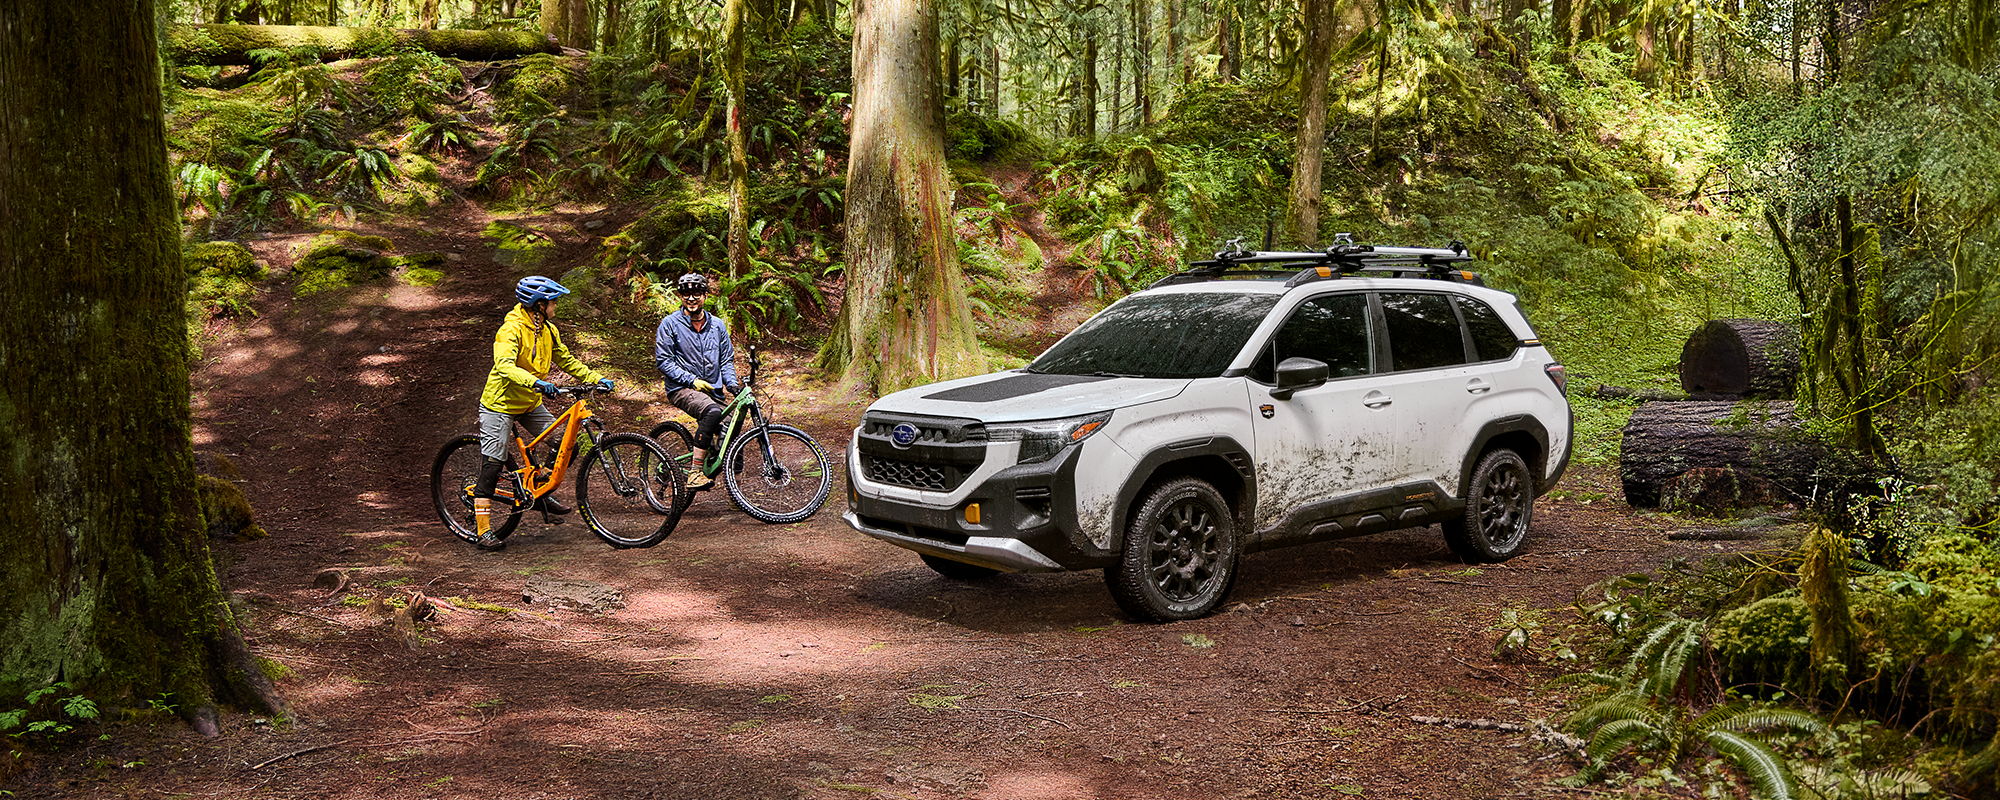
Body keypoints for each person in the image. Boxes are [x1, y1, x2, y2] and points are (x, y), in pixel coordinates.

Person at [471, 275, 615, 549]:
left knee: (566, 444)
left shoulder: (548, 329)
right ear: (538, 304)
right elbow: (504, 366)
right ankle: (483, 531)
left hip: (528, 402)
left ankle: (539, 490)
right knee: (493, 463)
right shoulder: (510, 329)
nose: (556, 306)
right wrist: (535, 381)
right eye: (553, 301)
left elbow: (566, 359)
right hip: (499, 404)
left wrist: (596, 378)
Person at [653, 273, 739, 490]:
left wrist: (732, 384)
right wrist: (691, 380)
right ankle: (694, 473)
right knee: (712, 412)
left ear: (705, 296)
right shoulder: (670, 324)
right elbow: (664, 361)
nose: (691, 299)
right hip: (681, 388)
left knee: (734, 425)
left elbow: (726, 360)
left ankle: (735, 489)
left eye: (696, 294)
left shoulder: (718, 326)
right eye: (686, 294)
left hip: (713, 390)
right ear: (680, 296)